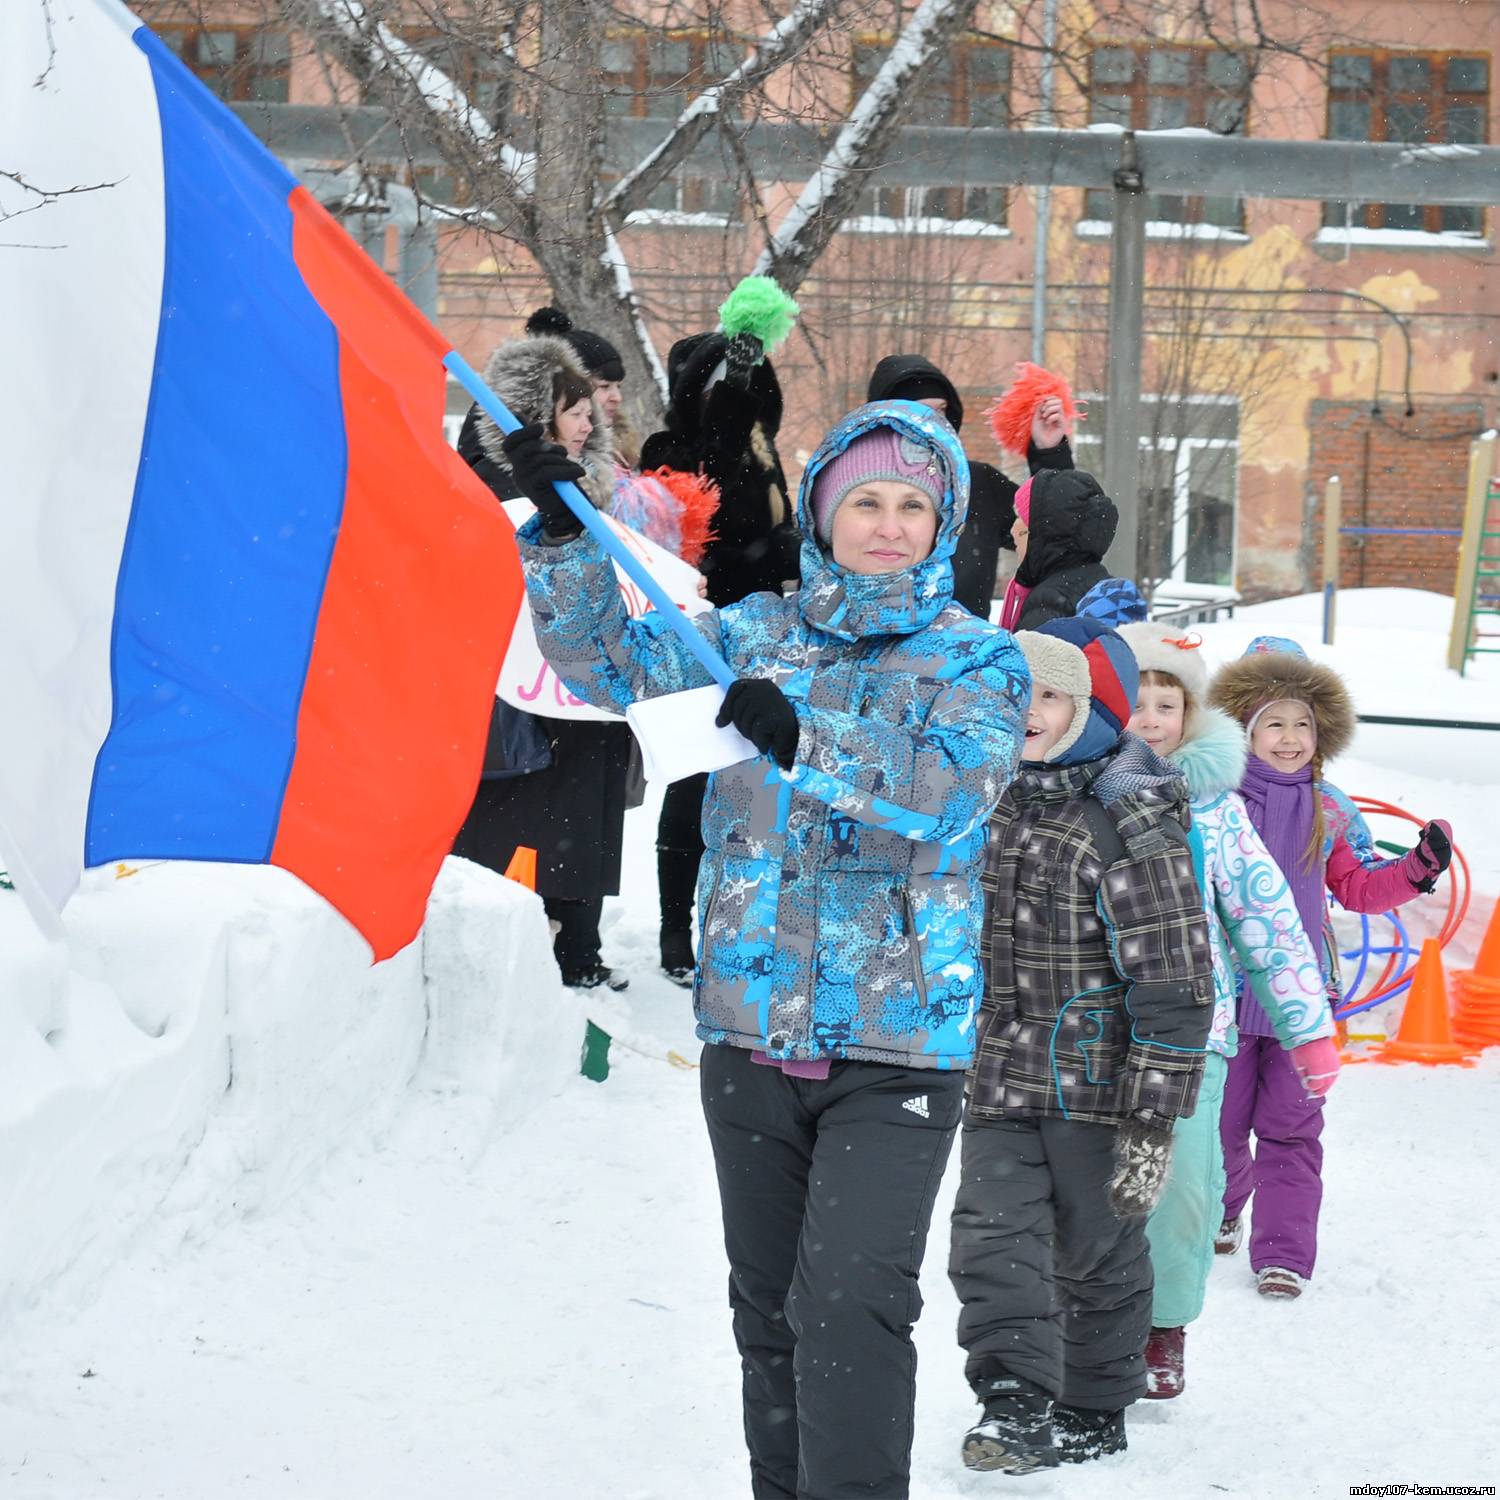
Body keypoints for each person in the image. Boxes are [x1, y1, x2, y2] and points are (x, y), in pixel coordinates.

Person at [506, 398, 1030, 1500]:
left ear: (941, 524)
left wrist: (811, 734)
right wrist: (563, 533)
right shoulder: (751, 634)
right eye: (864, 503)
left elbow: (952, 794)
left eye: (912, 506)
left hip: (897, 1047)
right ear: (826, 514)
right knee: (772, 1311)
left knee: (850, 1304)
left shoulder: (979, 661)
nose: (887, 526)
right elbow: (610, 663)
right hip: (749, 1034)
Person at [948, 616, 1214, 1474]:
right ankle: (1015, 1401)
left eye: (1050, 694)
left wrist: (1155, 1116)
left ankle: (1097, 1401)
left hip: (1099, 1087)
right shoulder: (980, 798)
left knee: (1096, 1253)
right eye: (1014, 690)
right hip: (996, 1077)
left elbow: (1174, 978)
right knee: (991, 1241)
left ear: (1091, 708)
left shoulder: (1126, 819)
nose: (1027, 708)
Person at [1119, 622, 1337, 1398]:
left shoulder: (1212, 808)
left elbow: (1269, 918)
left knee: (1175, 1184)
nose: (1149, 718)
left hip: (1187, 1032)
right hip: (1080, 1028)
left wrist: (1307, 1030)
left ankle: (1161, 1326)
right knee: (1085, 1188)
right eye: (1134, 701)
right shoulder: (1064, 790)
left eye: (1166, 704)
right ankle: (1084, 1321)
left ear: (1190, 716)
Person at [1208, 637, 1454, 1297]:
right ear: (1242, 728)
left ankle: (1284, 1252)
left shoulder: (1332, 807)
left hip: (1301, 998)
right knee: (1222, 1124)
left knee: (1291, 1128)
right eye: (1273, 723)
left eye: (1303, 724)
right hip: (1224, 992)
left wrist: (1416, 870)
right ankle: (1224, 1205)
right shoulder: (1213, 799)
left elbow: (1361, 887)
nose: (1289, 738)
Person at [450, 329, 634, 991]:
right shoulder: (494, 488)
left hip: (581, 693)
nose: (592, 419)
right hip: (526, 698)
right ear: (536, 412)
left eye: (591, 408)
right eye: (575, 407)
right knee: (528, 833)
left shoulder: (590, 487)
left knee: (582, 827)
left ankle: (575, 945)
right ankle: (529, 962)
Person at [638, 328, 802, 984]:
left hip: (763, 629)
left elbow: (766, 511)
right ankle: (675, 926)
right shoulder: (669, 448)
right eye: (724, 383)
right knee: (692, 781)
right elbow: (706, 506)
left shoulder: (762, 446)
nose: (740, 396)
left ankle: (739, 919)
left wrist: (787, 546)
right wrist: (754, 553)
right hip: (701, 631)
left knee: (749, 783)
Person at [865, 354, 1073, 617]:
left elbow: (1056, 535)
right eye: (917, 411)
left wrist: (1049, 452)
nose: (933, 422)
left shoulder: (977, 484)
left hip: (968, 654)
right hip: (874, 653)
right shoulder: (853, 487)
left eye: (940, 410)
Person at [999, 470, 1148, 632]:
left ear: (1046, 531)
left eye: (1020, 516)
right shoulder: (1098, 588)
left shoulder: (1048, 605)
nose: (1013, 529)